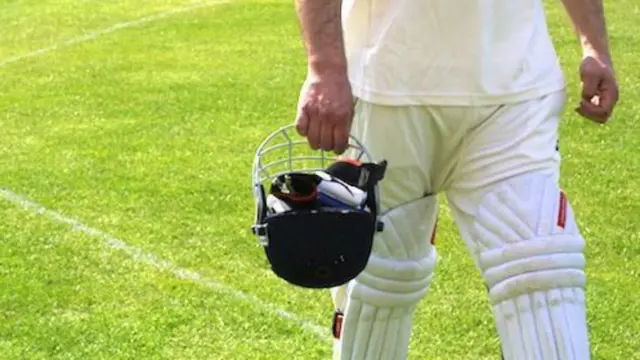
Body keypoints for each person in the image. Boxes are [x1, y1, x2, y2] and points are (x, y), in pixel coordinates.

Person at [292, 0, 619, 359]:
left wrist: (595, 46)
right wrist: (325, 68)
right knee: (381, 283)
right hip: (385, 88)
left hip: (514, 87)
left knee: (542, 275)